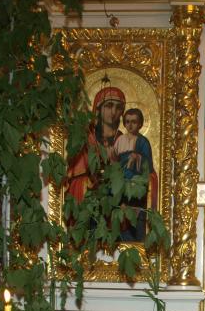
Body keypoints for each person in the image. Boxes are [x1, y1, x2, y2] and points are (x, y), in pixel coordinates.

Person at [65, 86, 126, 203]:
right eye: (109, 106)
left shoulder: (122, 139)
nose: (114, 112)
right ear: (98, 109)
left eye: (118, 107)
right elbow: (74, 177)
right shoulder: (86, 137)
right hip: (88, 199)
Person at [112, 108, 158, 241]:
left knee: (135, 215)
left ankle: (135, 240)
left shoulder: (143, 142)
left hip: (136, 183)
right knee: (121, 213)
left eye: (134, 122)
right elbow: (114, 160)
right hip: (121, 182)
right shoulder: (120, 140)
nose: (130, 125)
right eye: (127, 122)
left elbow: (148, 165)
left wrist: (138, 157)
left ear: (140, 124)